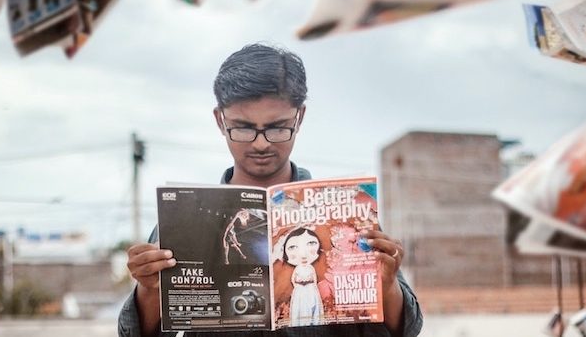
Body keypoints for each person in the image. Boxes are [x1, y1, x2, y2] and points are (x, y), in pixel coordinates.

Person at [118, 43, 423, 337]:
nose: (261, 143)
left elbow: (406, 328)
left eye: (277, 127)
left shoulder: (345, 213)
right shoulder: (184, 219)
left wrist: (386, 285)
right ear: (220, 121)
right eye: (243, 127)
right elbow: (136, 332)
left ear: (299, 117)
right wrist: (148, 289)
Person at [282, 227, 324, 327]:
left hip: (310, 289)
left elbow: (314, 278)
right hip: (300, 290)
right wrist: (296, 285)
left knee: (312, 306)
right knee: (300, 307)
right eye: (292, 247)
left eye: (311, 243)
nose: (303, 255)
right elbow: (293, 278)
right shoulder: (297, 268)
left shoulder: (310, 267)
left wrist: (314, 288)